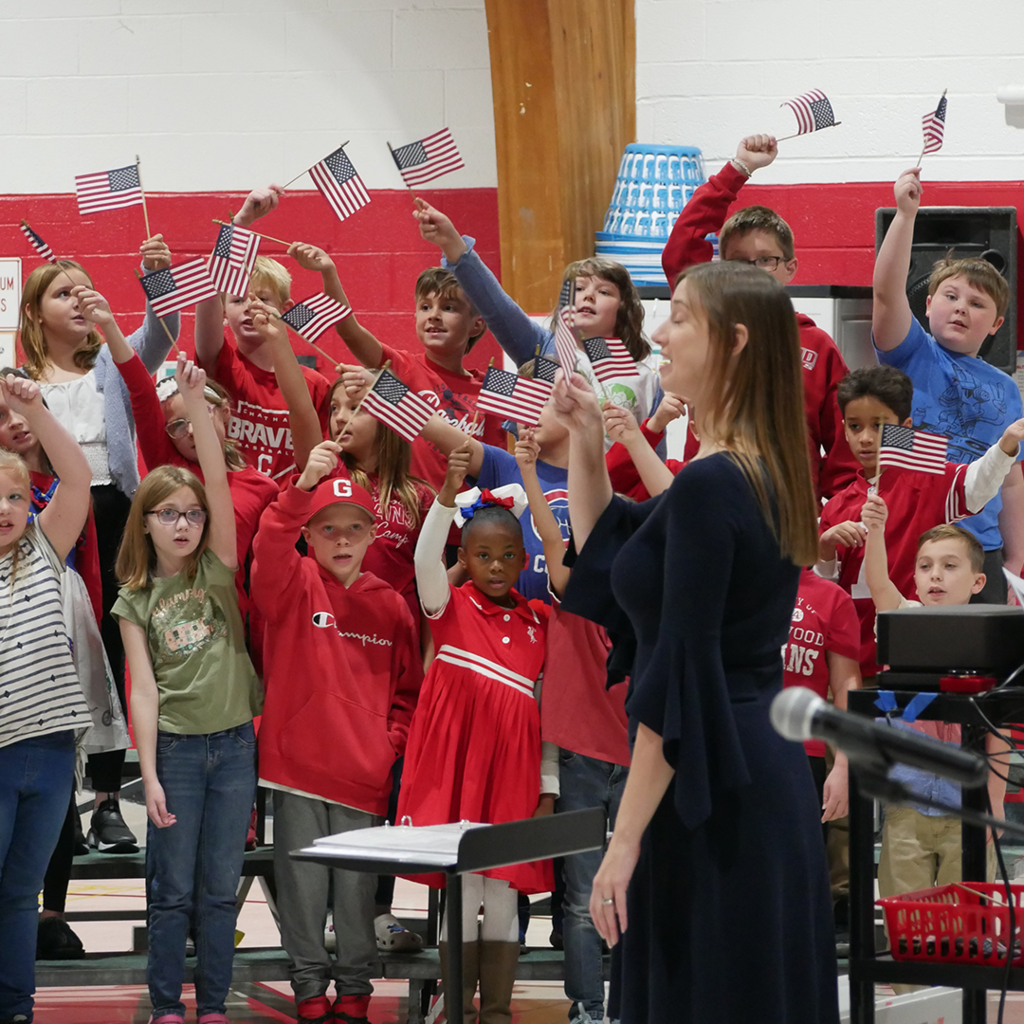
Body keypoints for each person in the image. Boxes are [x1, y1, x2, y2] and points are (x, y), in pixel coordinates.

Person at [554, 260, 838, 1022]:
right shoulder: (742, 468)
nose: (658, 330)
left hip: (714, 785)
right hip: (747, 767)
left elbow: (678, 677)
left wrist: (624, 839)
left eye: (678, 316)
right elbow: (616, 555)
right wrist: (586, 436)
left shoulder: (718, 482)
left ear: (734, 341)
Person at [111, 358, 263, 1024]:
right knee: (170, 891)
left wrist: (199, 406)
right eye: (168, 515)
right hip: (173, 753)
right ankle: (168, 1003)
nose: (183, 525)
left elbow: (223, 488)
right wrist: (145, 775)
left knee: (218, 891)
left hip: (232, 749)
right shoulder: (134, 600)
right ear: (145, 522)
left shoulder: (220, 566)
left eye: (192, 514)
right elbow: (142, 692)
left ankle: (214, 1006)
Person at [251, 445, 422, 1024]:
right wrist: (302, 485)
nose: (342, 540)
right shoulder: (291, 583)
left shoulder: (392, 606)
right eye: (327, 529)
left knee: (354, 898)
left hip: (362, 777)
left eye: (354, 528)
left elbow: (407, 693)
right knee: (300, 891)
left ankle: (354, 993)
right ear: (309, 533)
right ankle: (308, 992)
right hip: (296, 770)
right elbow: (268, 542)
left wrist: (386, 745)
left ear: (373, 533)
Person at [19, 244, 177, 855]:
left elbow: (162, 333)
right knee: (55, 650)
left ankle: (109, 799)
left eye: (86, 291)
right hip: (48, 518)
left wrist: (155, 275)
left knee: (113, 647)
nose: (79, 301)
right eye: (64, 293)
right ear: (33, 312)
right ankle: (59, 805)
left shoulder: (110, 367)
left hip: (112, 511)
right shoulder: (22, 385)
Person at [398, 445, 558, 1024]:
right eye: (482, 555)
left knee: (504, 890)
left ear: (522, 560)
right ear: (462, 556)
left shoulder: (540, 624)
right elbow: (421, 564)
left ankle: (497, 1010)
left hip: (513, 777)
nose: (495, 565)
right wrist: (445, 493)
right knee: (464, 889)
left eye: (507, 556)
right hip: (455, 767)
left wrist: (548, 787)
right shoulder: (449, 607)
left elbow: (547, 721)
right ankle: (458, 1006)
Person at [660, 132, 859, 500]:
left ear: (790, 268)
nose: (752, 271)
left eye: (765, 260)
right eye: (738, 262)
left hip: (788, 517)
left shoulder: (816, 346)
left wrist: (833, 520)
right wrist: (738, 169)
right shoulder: (710, 327)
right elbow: (680, 252)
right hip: (710, 501)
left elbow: (846, 455)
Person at [516, 428, 630, 1024]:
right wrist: (531, 472)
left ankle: (634, 1003)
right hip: (584, 763)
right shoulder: (575, 591)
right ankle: (588, 1009)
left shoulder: (654, 603)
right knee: (583, 901)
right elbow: (551, 533)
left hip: (642, 765)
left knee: (636, 896)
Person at [873, 166, 1024, 600]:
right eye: (951, 296)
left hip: (981, 550)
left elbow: (1011, 479)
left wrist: (1016, 558)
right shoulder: (911, 351)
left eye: (977, 303)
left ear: (996, 324)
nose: (961, 308)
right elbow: (886, 294)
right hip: (913, 539)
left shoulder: (1007, 388)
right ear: (927, 303)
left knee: (979, 663)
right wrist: (905, 216)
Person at [817, 364, 1024, 678]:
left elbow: (977, 484)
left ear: (905, 427)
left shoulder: (928, 482)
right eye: (855, 426)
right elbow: (824, 590)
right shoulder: (835, 506)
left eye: (879, 425)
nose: (866, 438)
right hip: (851, 663)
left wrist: (1006, 446)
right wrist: (825, 548)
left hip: (916, 656)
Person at [0, 372, 93, 1024]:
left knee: (19, 895)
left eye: (13, 496)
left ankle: (17, 1007)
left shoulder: (42, 547)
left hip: (53, 752)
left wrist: (33, 408)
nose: (5, 507)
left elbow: (79, 478)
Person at [414, 200, 662, 439]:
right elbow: (496, 305)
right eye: (578, 289)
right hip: (547, 479)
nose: (588, 297)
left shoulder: (646, 379)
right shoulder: (544, 347)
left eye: (603, 291)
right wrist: (453, 244)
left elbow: (653, 454)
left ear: (624, 308)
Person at [110, 330, 278, 674]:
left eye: (198, 414)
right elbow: (141, 391)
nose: (189, 431)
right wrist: (109, 324)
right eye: (176, 426)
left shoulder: (263, 488)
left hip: (231, 620)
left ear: (225, 412)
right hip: (174, 618)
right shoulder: (173, 471)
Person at [861, 507, 1008, 899]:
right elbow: (878, 584)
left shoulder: (990, 638)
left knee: (967, 916)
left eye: (949, 565)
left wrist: (994, 801)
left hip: (969, 805)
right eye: (925, 566)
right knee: (905, 915)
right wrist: (875, 531)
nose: (935, 575)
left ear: (979, 581)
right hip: (906, 805)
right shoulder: (904, 620)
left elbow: (1000, 728)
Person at [318, 241, 508, 489]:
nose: (434, 315)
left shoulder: (493, 387)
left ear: (477, 324)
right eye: (425, 307)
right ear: (415, 316)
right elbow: (349, 331)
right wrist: (328, 272)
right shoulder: (403, 366)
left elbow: (496, 468)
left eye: (449, 307)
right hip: (411, 512)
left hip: (468, 519)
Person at [194, 188, 333, 482]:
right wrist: (240, 224)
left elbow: (319, 461)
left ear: (286, 309)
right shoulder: (222, 364)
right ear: (223, 311)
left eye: (263, 299)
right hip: (232, 508)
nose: (250, 307)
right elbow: (208, 290)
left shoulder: (315, 385)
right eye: (237, 300)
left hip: (289, 513)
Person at [781, 569, 861, 831]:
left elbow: (846, 685)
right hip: (733, 745)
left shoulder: (832, 598)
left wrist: (843, 764)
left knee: (798, 865)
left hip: (802, 754)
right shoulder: (730, 583)